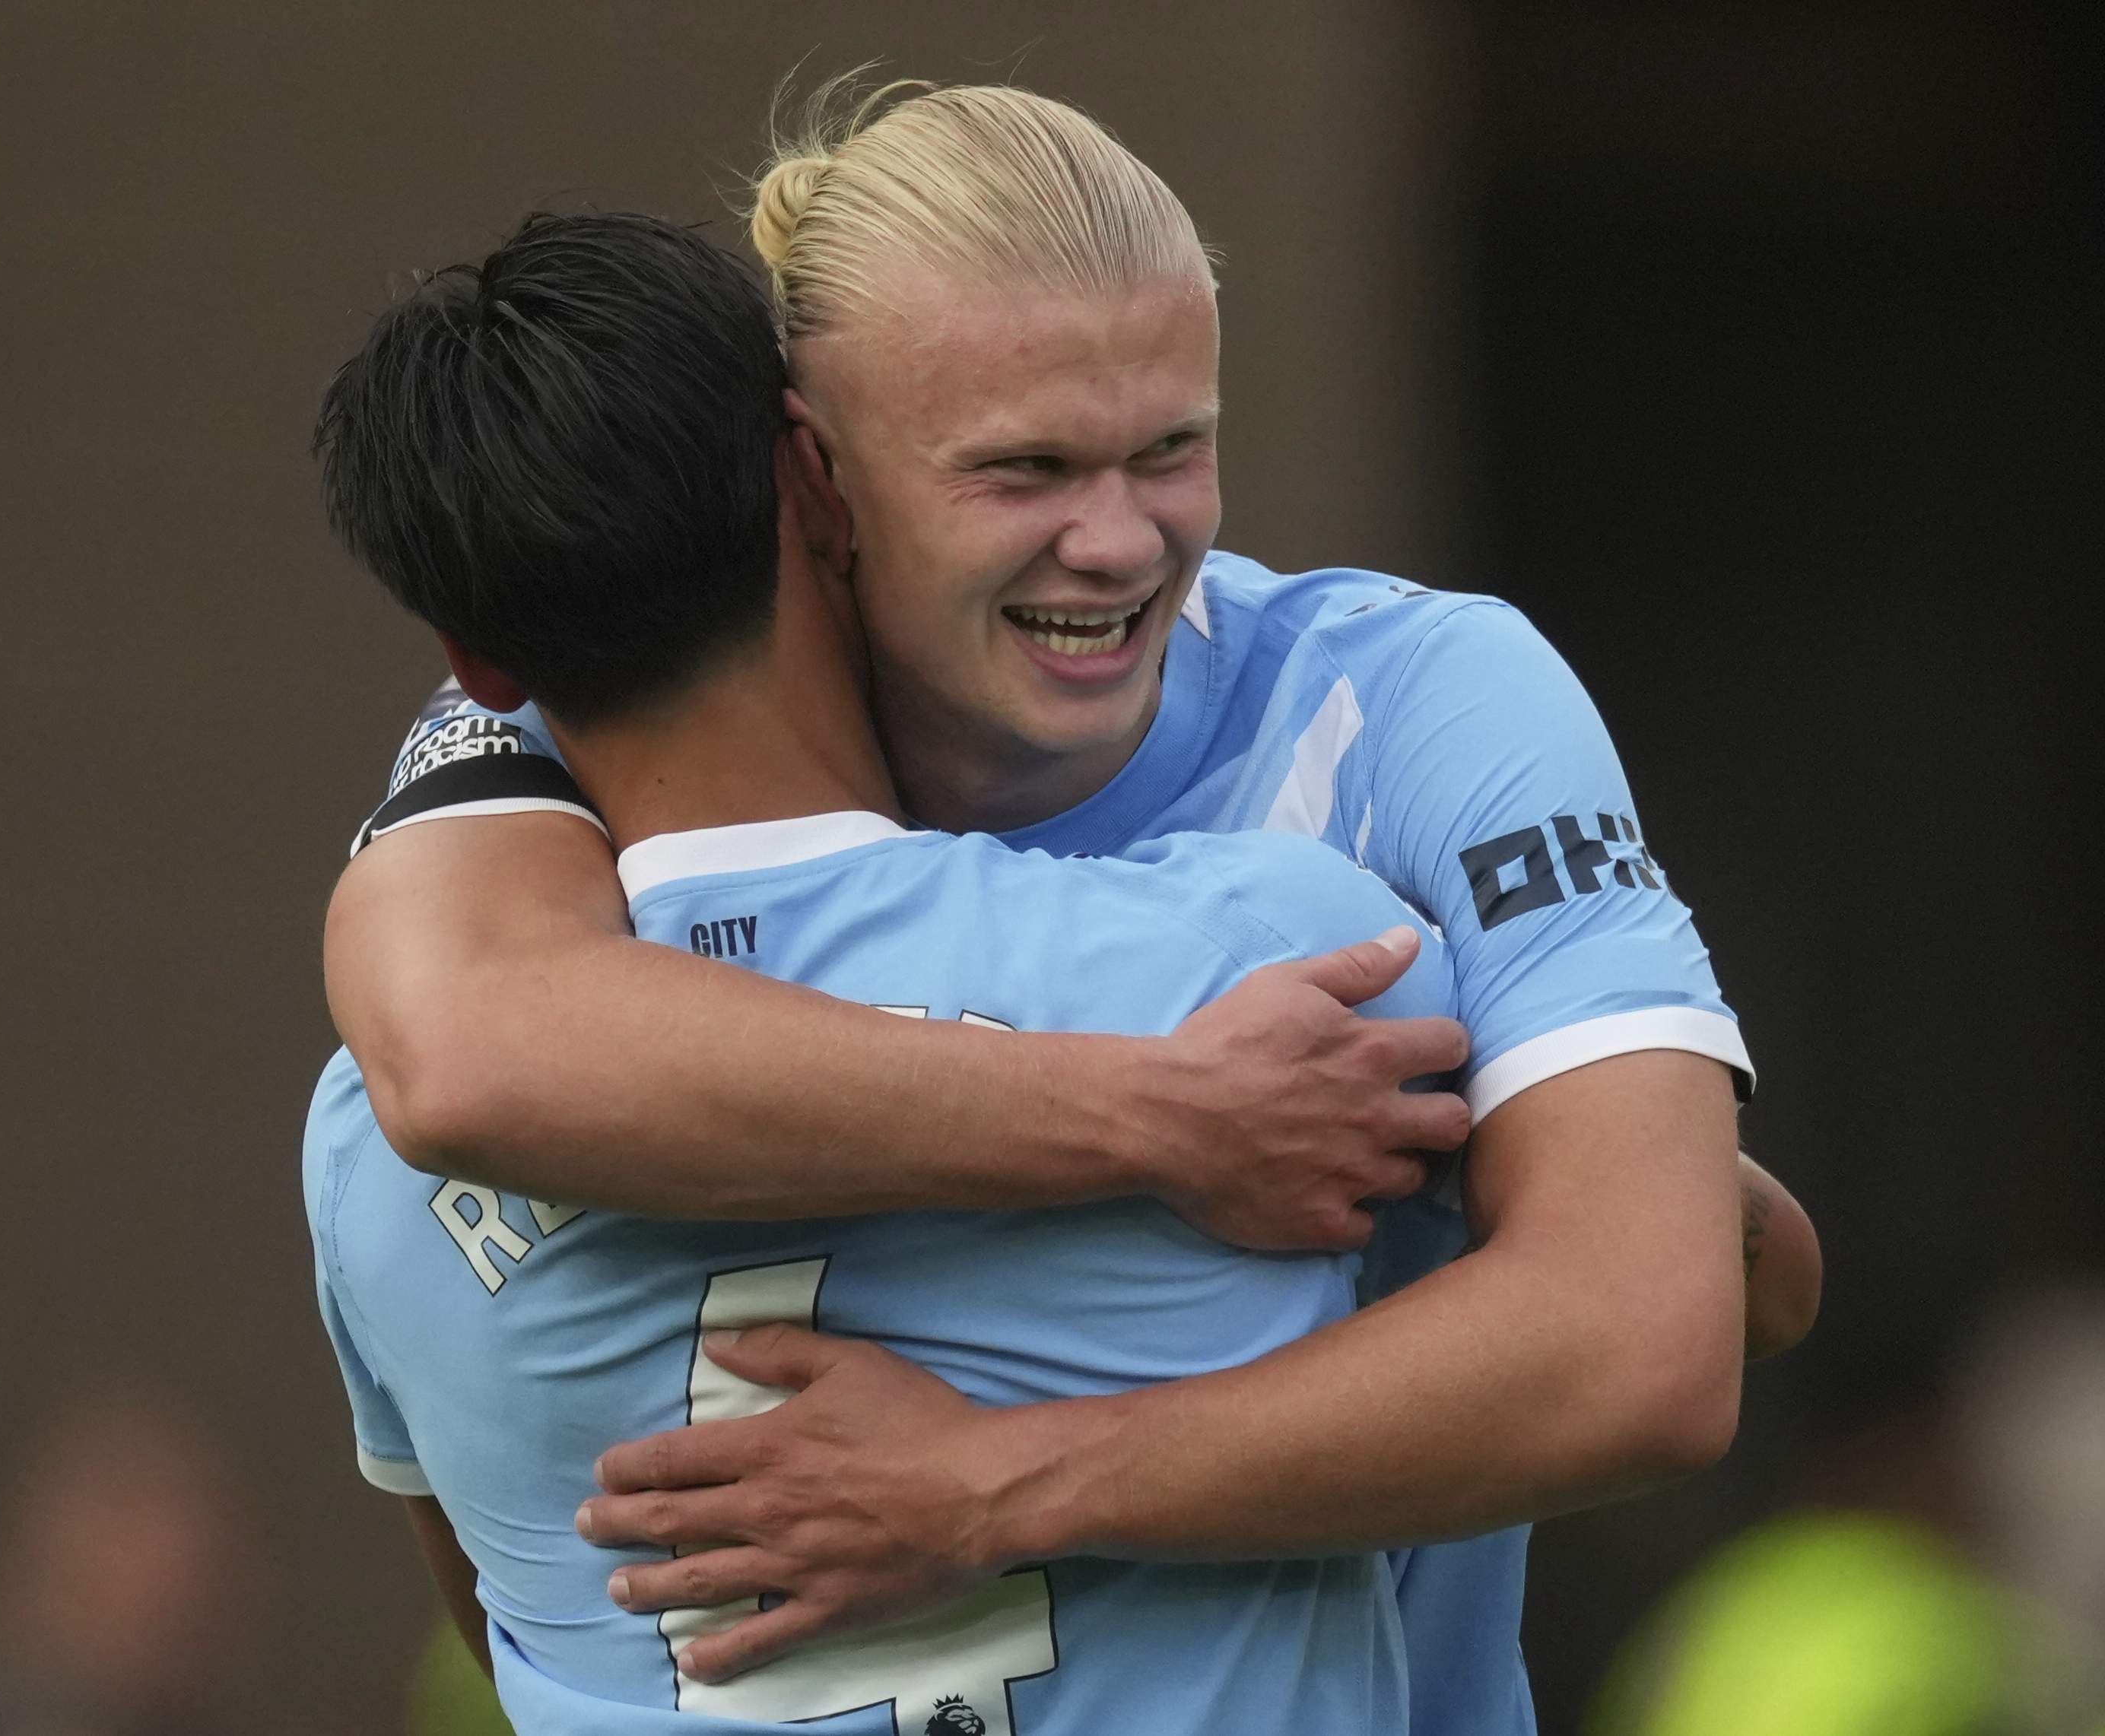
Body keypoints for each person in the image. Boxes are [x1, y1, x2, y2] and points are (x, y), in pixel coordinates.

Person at [323, 79, 1818, 1731]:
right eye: (1022, 468)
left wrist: (1001, 1485)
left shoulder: (1414, 699)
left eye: (1175, 447)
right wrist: (1169, 1116)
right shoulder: (576, 727)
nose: (1117, 540)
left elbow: (1679, 1313)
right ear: (811, 480)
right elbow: (459, 1060)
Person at [308, 208, 1468, 1733]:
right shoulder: (1266, 967)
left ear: (477, 662)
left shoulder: (359, 1154)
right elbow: (1686, 1287)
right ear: (813, 472)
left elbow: (501, 1621)